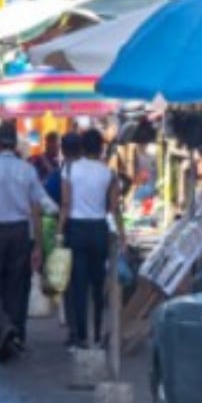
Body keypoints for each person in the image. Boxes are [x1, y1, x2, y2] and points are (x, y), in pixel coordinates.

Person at [0, 121, 57, 362]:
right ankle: (15, 335)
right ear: (15, 144)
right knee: (18, 285)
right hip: (19, 232)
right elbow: (36, 209)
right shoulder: (27, 170)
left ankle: (5, 328)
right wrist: (37, 244)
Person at [60, 128, 123, 349]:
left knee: (78, 284)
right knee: (97, 283)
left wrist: (60, 231)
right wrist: (122, 235)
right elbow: (114, 208)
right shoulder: (109, 173)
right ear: (101, 148)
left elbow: (66, 204)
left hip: (76, 229)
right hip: (99, 230)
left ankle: (81, 335)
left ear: (83, 148)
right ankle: (97, 331)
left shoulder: (69, 169)